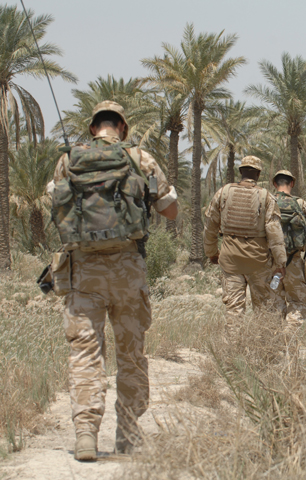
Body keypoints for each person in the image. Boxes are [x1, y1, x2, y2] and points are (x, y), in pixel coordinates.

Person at [48, 101, 178, 461]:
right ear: (122, 127)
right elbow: (170, 208)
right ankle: (129, 434)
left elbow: (53, 203)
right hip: (128, 272)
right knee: (131, 354)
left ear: (93, 128)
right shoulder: (140, 157)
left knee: (85, 353)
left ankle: (86, 433)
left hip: (82, 271)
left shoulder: (69, 159)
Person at [203, 156, 287, 336]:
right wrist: (280, 263)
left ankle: (232, 353)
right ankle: (266, 351)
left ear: (241, 172)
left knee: (234, 311)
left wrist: (211, 253)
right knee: (265, 309)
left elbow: (210, 227)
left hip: (230, 262)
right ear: (258, 173)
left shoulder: (223, 192)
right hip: (258, 263)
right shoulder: (266, 197)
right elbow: (275, 234)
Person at [271, 170, 306, 333]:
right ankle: (289, 334)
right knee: (298, 303)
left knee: (274, 305)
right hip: (292, 262)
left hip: (269, 264)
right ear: (292, 183)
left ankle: (275, 340)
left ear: (274, 184)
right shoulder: (301, 204)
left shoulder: (267, 201)